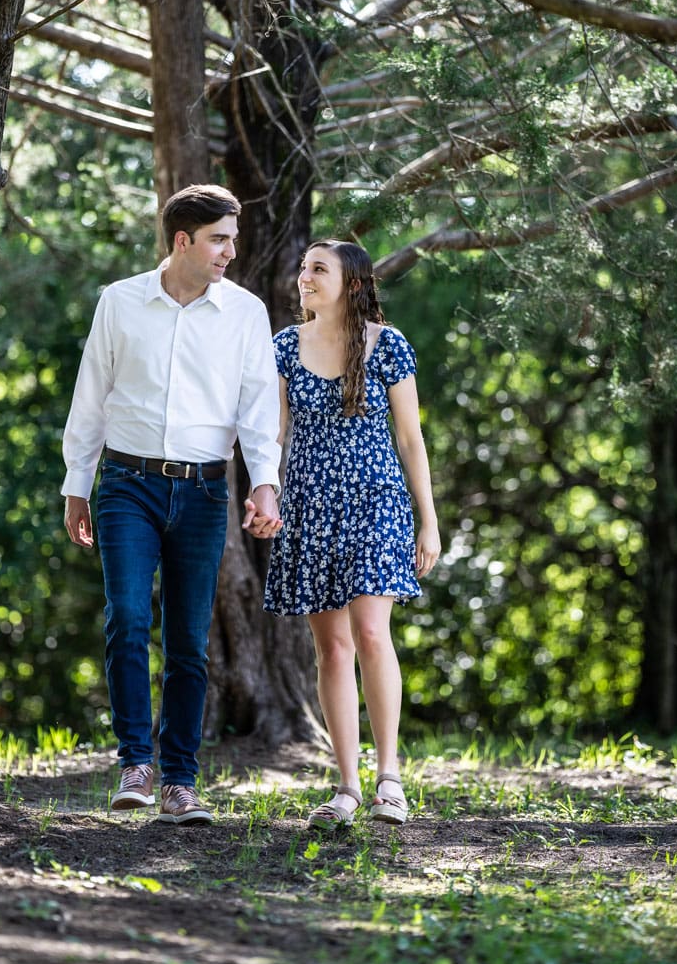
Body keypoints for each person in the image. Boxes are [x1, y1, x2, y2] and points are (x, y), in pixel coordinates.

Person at [61, 184, 282, 827]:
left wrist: (263, 482)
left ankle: (180, 781)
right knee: (127, 617)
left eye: (233, 240)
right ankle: (136, 763)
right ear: (182, 240)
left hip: (207, 490)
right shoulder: (120, 302)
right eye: (219, 239)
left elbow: (257, 410)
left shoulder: (244, 313)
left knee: (188, 639)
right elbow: (90, 396)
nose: (230, 253)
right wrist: (78, 484)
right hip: (126, 485)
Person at [252, 239, 441, 829]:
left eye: (318, 269)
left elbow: (411, 440)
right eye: (304, 267)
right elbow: (274, 436)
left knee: (370, 631)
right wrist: (265, 491)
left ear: (352, 284)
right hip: (310, 505)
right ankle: (347, 786)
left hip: (375, 501)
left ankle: (390, 779)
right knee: (331, 647)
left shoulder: (389, 346)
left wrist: (427, 519)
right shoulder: (284, 346)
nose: (303, 276)